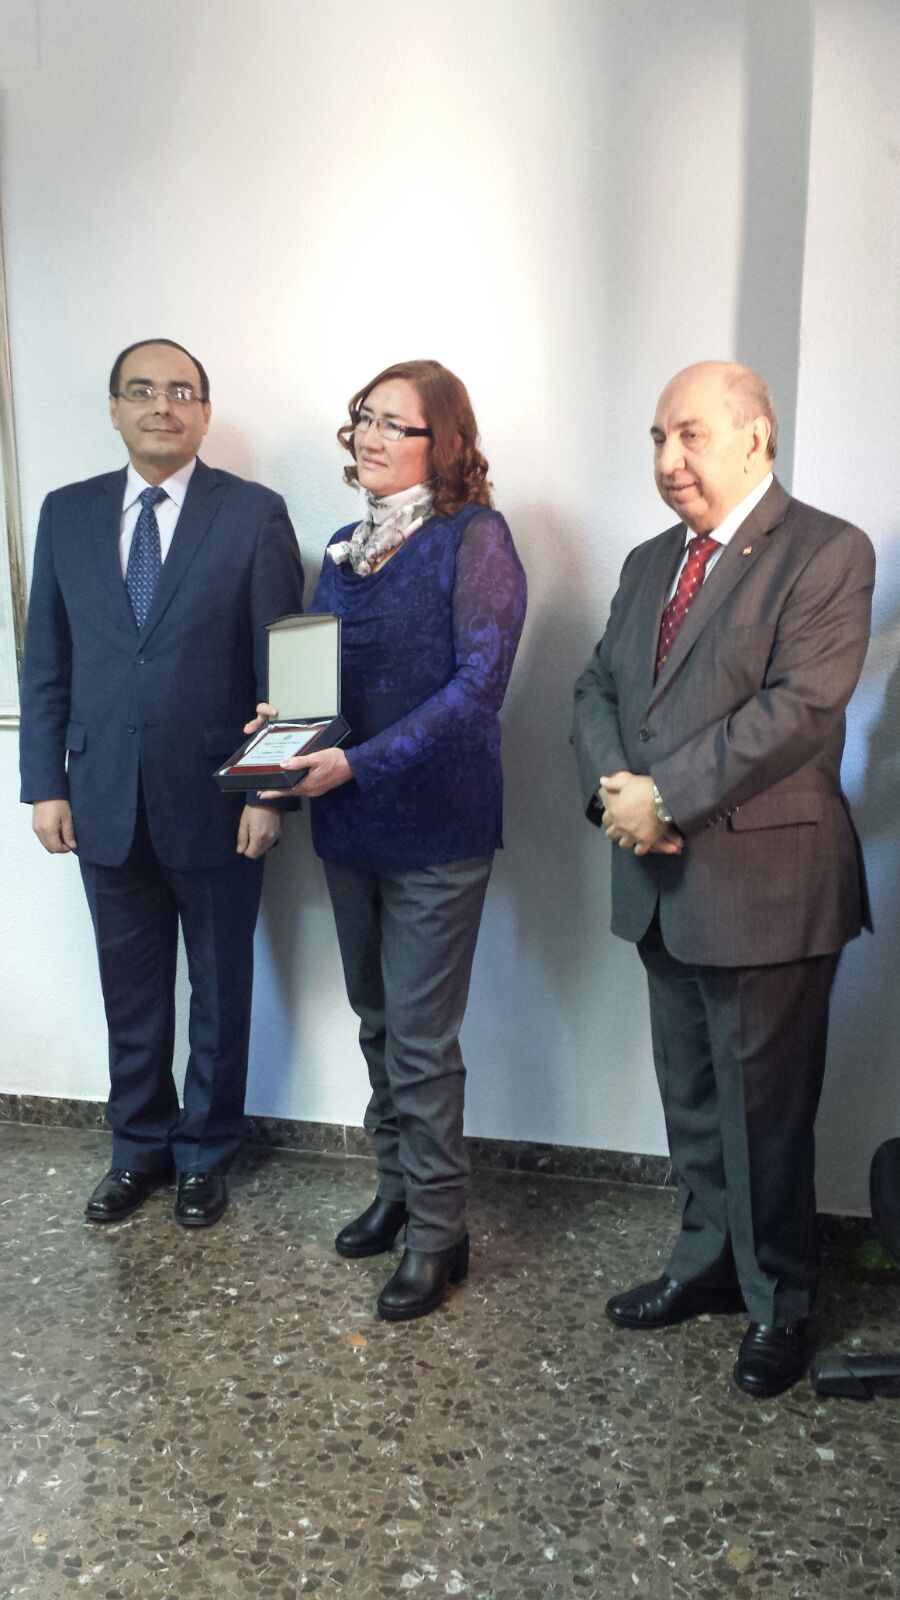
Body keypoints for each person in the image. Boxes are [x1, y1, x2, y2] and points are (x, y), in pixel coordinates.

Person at [572, 360, 874, 1397]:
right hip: (660, 882)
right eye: (658, 437)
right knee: (694, 1100)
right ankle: (705, 1266)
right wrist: (618, 796)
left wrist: (663, 797)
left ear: (757, 437)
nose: (669, 459)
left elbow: (798, 710)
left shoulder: (827, 550)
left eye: (690, 435)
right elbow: (596, 686)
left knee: (766, 1118)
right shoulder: (648, 560)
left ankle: (781, 1301)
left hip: (768, 887)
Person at [249, 359, 527, 1320]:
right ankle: (399, 1189)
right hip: (350, 824)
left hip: (438, 828)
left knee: (419, 1038)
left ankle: (441, 1233)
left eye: (394, 424)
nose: (370, 435)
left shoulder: (475, 537)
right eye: (364, 417)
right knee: (375, 1021)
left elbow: (478, 689)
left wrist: (356, 762)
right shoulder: (342, 547)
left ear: (441, 443)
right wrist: (284, 725)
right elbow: (322, 686)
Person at [19, 339, 304, 1228]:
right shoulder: (66, 513)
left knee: (220, 991)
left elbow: (287, 665)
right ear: (114, 409)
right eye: (141, 391)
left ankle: (205, 1154)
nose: (161, 406)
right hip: (100, 796)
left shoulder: (252, 514)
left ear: (205, 413)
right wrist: (45, 784)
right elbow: (47, 662)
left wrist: (268, 792)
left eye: (182, 392)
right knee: (129, 991)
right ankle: (137, 1148)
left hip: (220, 801)